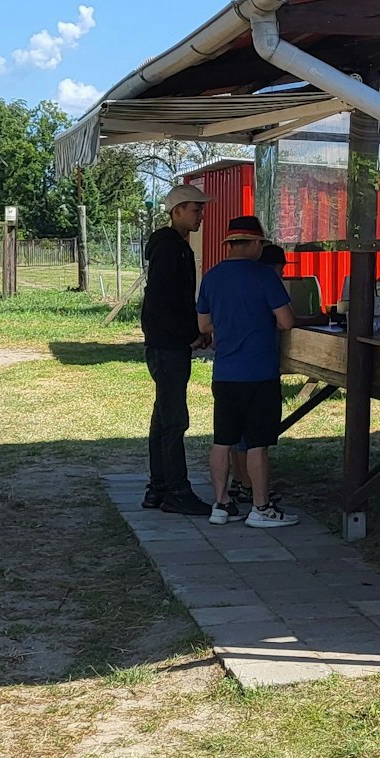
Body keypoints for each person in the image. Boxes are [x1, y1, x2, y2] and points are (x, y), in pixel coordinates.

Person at [195, 216, 300, 528]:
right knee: (257, 443)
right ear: (255, 244)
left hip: (225, 373)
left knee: (222, 440)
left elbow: (203, 325)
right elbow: (287, 321)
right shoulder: (265, 277)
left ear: (230, 244)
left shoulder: (212, 277)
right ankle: (261, 507)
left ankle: (221, 503)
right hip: (259, 372)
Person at [140, 182, 212, 515]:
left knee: (163, 419)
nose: (201, 216)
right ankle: (177, 491)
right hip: (167, 347)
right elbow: (161, 304)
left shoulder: (175, 246)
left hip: (166, 345)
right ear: (177, 212)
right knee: (174, 421)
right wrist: (189, 335)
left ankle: (158, 488)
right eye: (196, 209)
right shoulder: (171, 249)